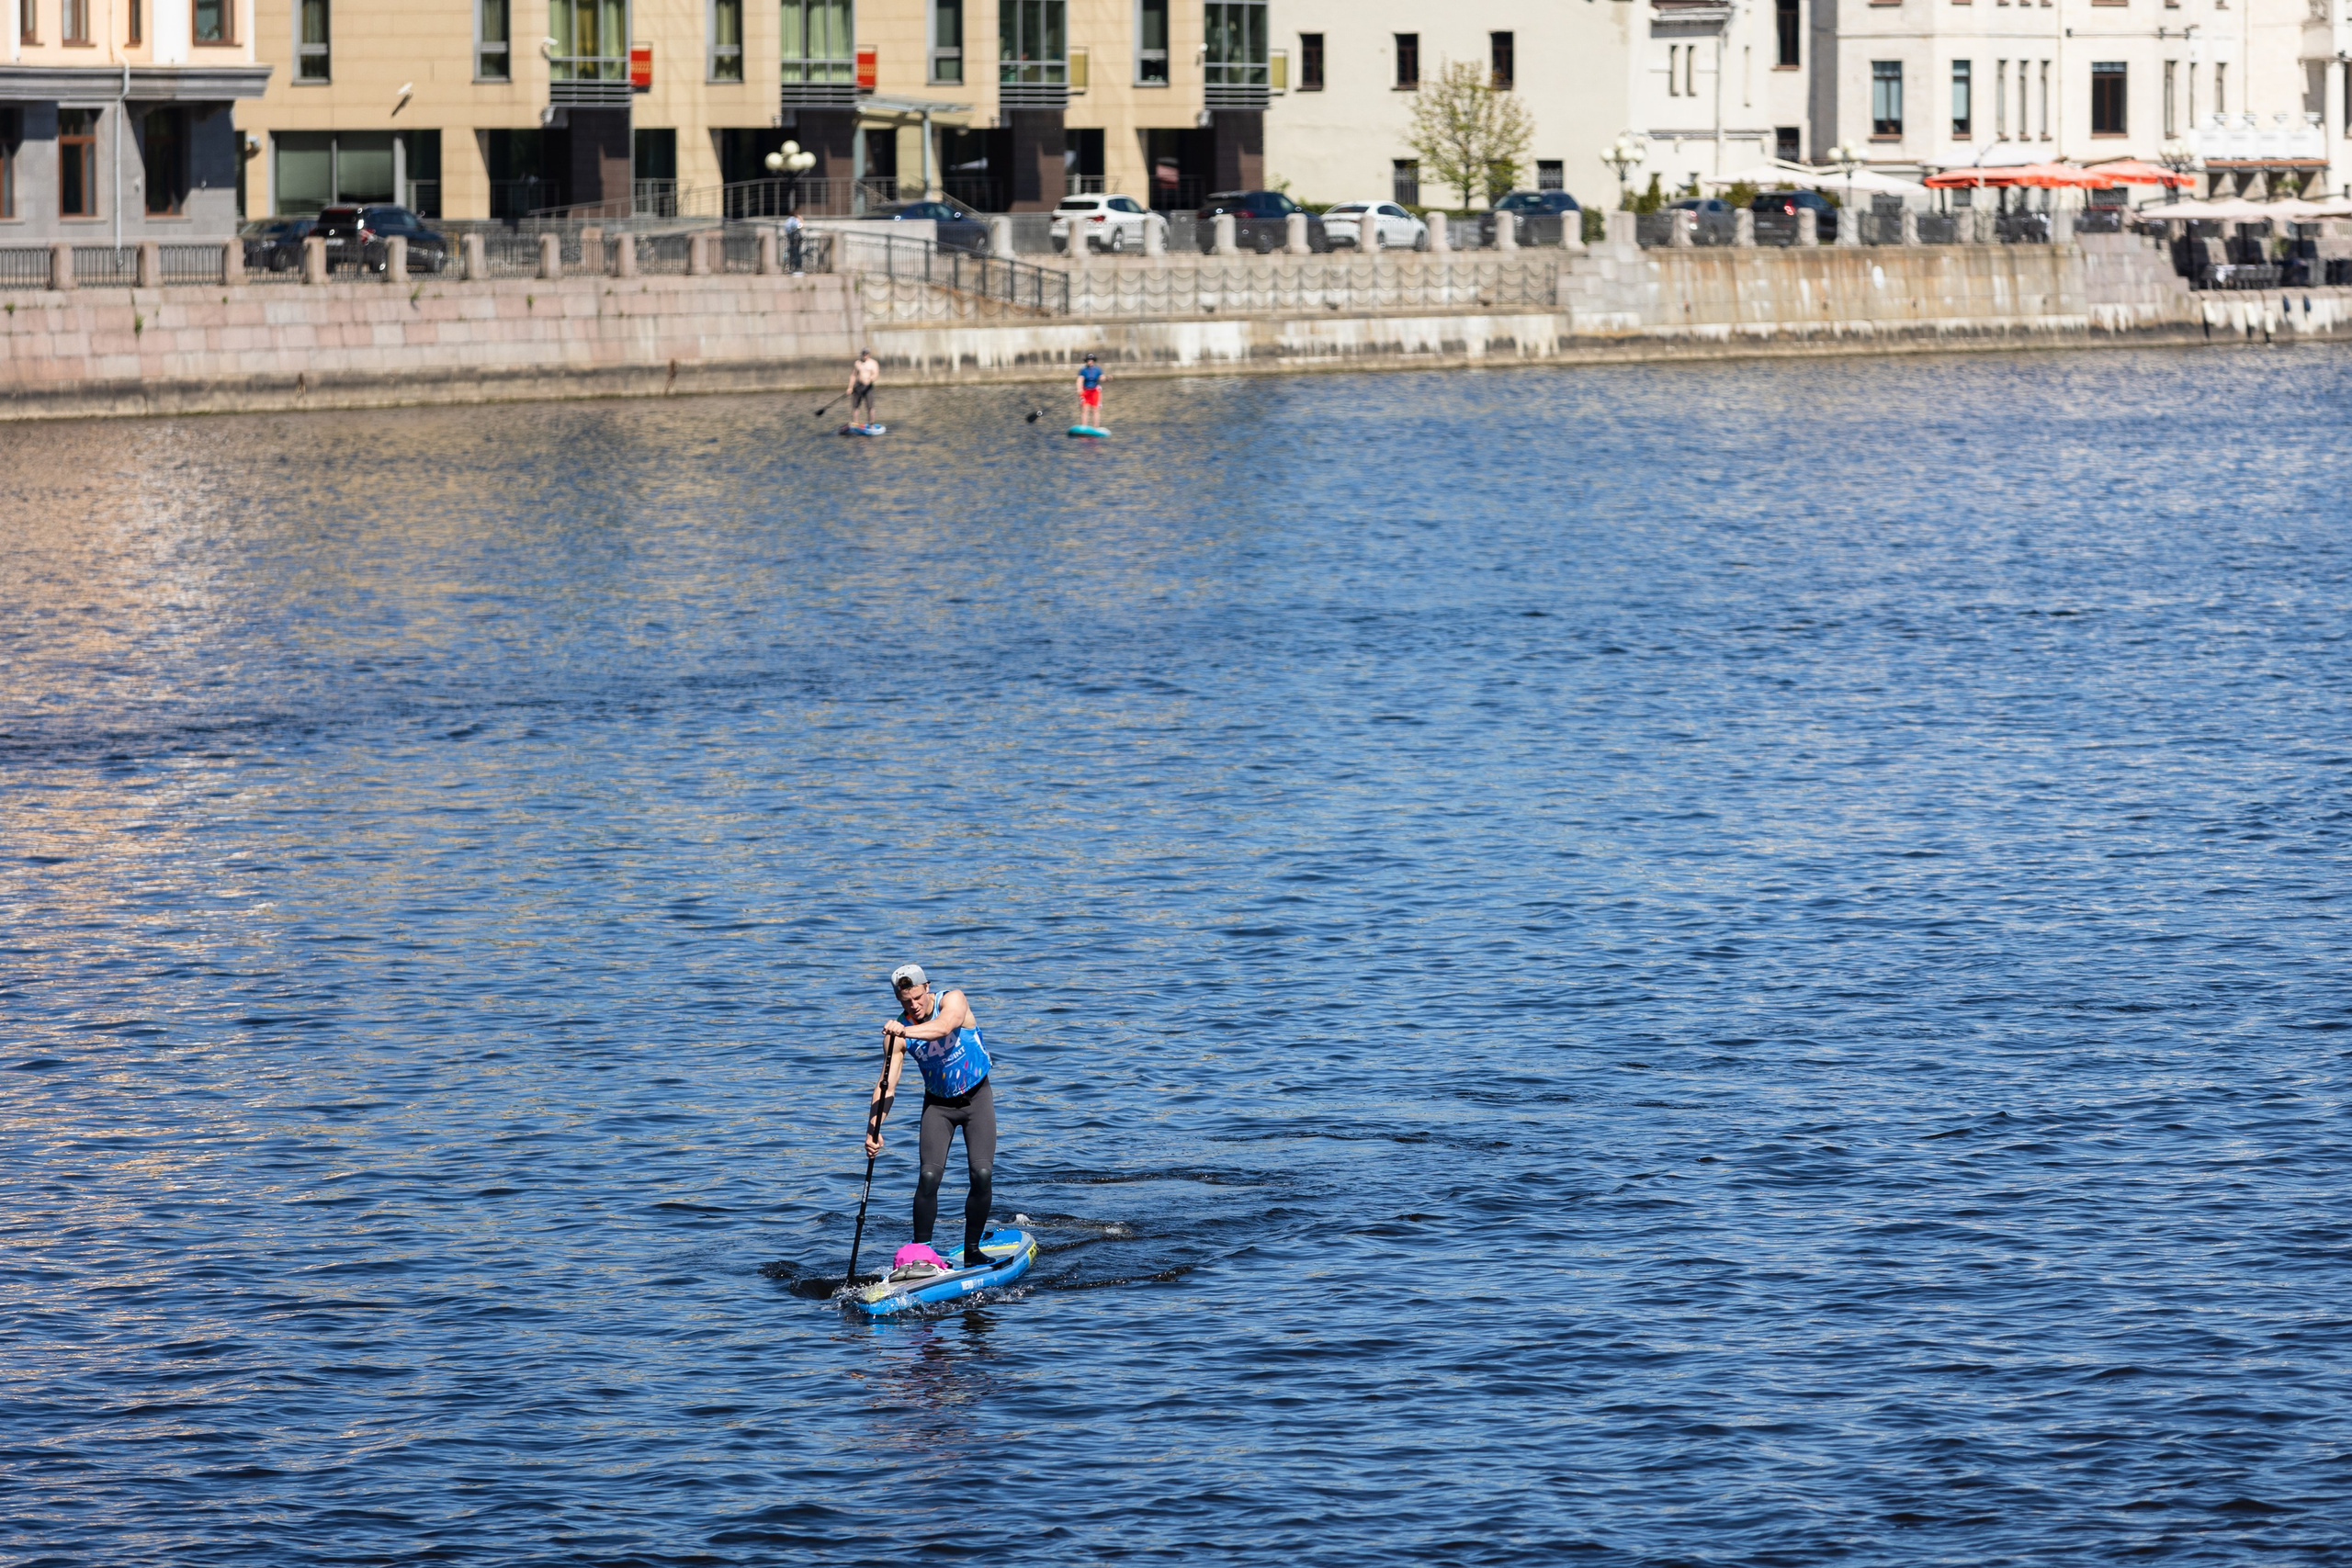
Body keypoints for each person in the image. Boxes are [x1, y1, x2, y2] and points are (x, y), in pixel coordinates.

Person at [865, 964, 998, 1270]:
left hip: (977, 1099)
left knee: (982, 1175)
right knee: (928, 1177)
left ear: (927, 988)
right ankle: (920, 1254)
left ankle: (973, 1250)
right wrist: (874, 1129)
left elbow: (943, 1027)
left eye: (916, 997)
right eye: (905, 1002)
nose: (913, 1005)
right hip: (938, 1107)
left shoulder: (953, 1000)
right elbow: (887, 1084)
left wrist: (905, 1030)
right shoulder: (898, 1034)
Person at [846, 348, 879, 428]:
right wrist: (850, 387)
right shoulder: (857, 363)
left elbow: (876, 373)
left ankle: (871, 424)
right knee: (855, 406)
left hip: (868, 387)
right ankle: (855, 423)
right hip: (858, 386)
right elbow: (853, 375)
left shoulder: (873, 363)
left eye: (867, 354)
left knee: (870, 406)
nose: (865, 355)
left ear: (869, 354)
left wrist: (871, 378)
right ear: (861, 354)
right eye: (864, 354)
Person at [1075, 353, 1104, 429]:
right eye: (1088, 360)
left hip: (1095, 391)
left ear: (1093, 361)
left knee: (1095, 410)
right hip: (1085, 391)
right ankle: (1084, 427)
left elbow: (1102, 377)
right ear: (1086, 361)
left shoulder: (1098, 370)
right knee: (1085, 409)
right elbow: (1079, 380)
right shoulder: (1083, 370)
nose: (1090, 361)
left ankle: (1096, 428)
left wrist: (1106, 378)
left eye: (1091, 360)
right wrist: (1079, 389)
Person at [784, 210, 805, 275]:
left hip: (791, 238)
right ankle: (797, 268)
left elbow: (787, 228)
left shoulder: (787, 221)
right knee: (796, 253)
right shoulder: (795, 220)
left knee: (791, 253)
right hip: (795, 238)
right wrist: (801, 220)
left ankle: (791, 267)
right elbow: (800, 226)